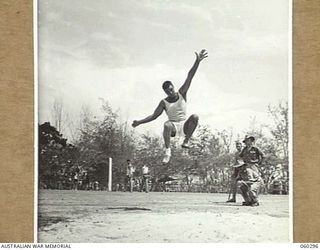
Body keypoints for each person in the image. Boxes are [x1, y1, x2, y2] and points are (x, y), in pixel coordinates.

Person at [132, 49, 208, 164]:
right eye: (168, 92)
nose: (170, 93)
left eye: (171, 90)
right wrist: (139, 122)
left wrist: (197, 61)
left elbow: (190, 76)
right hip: (173, 128)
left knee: (195, 117)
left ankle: (186, 141)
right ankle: (167, 151)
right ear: (165, 92)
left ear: (173, 87)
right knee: (166, 124)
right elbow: (153, 116)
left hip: (185, 126)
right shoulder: (164, 102)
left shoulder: (182, 93)